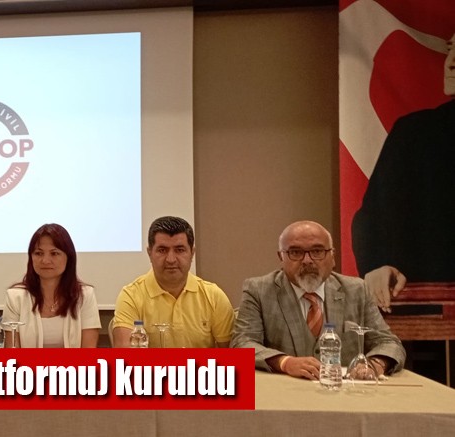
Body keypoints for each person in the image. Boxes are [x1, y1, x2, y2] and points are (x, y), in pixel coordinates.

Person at [353, 31, 455, 312]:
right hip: (423, 309)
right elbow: (373, 216)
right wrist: (377, 264)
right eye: (450, 49)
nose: (450, 62)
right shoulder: (415, 133)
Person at [231, 220, 406, 379]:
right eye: (295, 252)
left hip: (345, 393)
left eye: (317, 251)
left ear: (332, 256)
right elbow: (242, 344)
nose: (307, 260)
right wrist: (285, 363)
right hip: (285, 392)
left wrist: (374, 365)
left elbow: (389, 343)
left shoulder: (357, 290)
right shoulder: (259, 290)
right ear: (281, 258)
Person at [112, 216, 234, 348]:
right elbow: (124, 356)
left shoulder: (214, 296)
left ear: (192, 253)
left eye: (179, 250)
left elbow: (231, 355)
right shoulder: (131, 296)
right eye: (162, 250)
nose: (171, 259)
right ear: (149, 253)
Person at [2, 224, 100, 348]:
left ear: (69, 257)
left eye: (54, 253)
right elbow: (12, 354)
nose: (45, 261)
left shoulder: (85, 296)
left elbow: (88, 353)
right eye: (38, 253)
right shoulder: (15, 297)